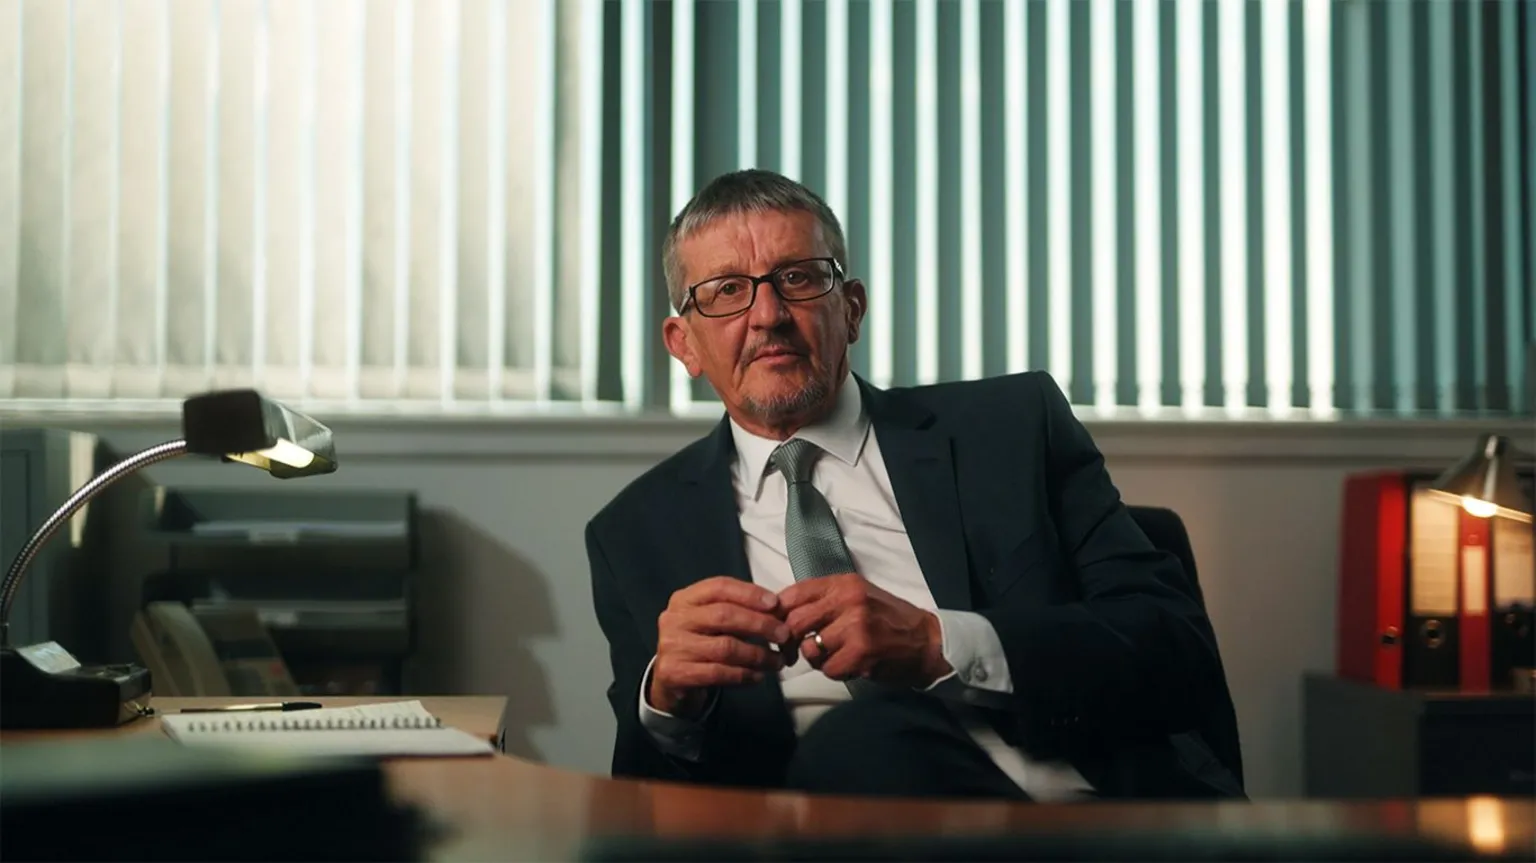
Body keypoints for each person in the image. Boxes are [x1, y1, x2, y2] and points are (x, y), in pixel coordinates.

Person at [585, 169, 1243, 801]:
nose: (768, 314)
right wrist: (669, 701)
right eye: (727, 290)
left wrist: (939, 643)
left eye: (798, 277)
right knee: (861, 741)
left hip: (1093, 815)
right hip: (849, 829)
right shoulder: (635, 533)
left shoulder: (1011, 430)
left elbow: (1175, 644)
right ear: (684, 344)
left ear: (853, 309)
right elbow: (643, 796)